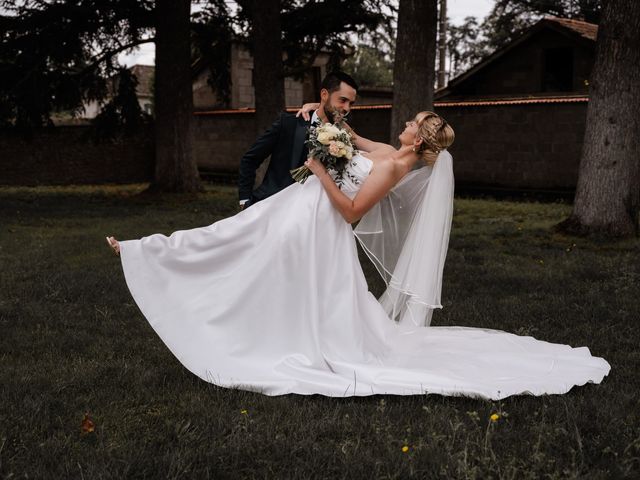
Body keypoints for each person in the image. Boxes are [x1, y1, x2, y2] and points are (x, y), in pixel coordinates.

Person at [105, 111, 610, 399]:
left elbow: (349, 213)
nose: (405, 123)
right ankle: (151, 251)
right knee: (234, 234)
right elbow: (352, 140)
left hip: (318, 224)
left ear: (420, 140)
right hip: (296, 209)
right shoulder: (390, 154)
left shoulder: (394, 170)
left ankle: (170, 271)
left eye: (412, 123)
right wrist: (326, 124)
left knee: (244, 245)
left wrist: (320, 171)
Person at [237, 71, 358, 211]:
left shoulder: (345, 137)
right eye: (343, 100)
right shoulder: (288, 124)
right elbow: (250, 160)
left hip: (314, 214)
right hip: (272, 207)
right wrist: (244, 201)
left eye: (351, 103)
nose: (347, 108)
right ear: (324, 95)